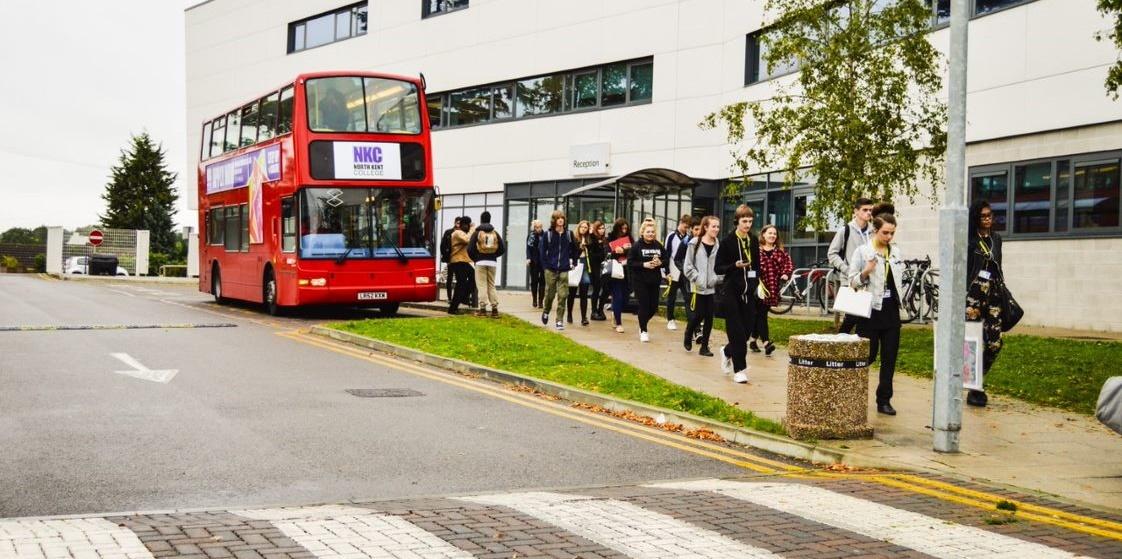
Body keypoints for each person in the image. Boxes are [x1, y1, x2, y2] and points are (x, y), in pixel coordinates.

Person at [850, 205, 905, 416]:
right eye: (885, 232)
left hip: (891, 312)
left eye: (892, 233)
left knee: (889, 358)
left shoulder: (896, 251)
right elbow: (852, 282)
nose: (889, 236)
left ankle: (884, 400)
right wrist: (866, 271)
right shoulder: (863, 252)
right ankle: (854, 392)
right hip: (871, 311)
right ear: (875, 230)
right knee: (868, 356)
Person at [965, 200, 1007, 408]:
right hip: (973, 297)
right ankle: (975, 388)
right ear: (976, 218)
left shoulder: (996, 239)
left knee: (994, 343)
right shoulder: (970, 241)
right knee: (971, 343)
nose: (988, 218)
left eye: (990, 215)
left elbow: (999, 267)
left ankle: (976, 380)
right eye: (983, 216)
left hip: (994, 296)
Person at [714, 205, 760, 384]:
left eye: (750, 221)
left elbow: (756, 266)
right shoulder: (727, 242)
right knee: (736, 332)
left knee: (747, 330)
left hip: (748, 291)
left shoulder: (753, 240)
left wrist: (757, 283)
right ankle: (740, 369)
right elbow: (718, 267)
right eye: (744, 221)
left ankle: (726, 352)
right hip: (731, 291)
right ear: (737, 221)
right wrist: (734, 266)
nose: (747, 225)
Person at [828, 198, 875, 333]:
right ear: (856, 211)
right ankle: (840, 344)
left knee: (865, 318)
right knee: (852, 317)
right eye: (865, 210)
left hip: (869, 279)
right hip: (851, 280)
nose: (868, 213)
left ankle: (858, 347)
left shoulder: (873, 231)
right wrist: (847, 269)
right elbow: (832, 253)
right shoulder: (845, 230)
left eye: (870, 210)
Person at [752, 224, 794, 356]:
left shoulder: (780, 252)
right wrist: (753, 279)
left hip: (772, 288)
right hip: (757, 288)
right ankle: (766, 343)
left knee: (760, 314)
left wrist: (786, 273)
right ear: (763, 234)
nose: (772, 236)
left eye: (774, 234)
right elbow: (749, 268)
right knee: (761, 314)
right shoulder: (755, 251)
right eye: (769, 233)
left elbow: (788, 265)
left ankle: (753, 340)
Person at [683, 216, 721, 357]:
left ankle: (704, 347)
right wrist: (697, 278)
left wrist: (716, 279)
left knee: (709, 317)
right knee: (699, 315)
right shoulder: (694, 243)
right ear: (706, 227)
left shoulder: (718, 245)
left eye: (718, 226)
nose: (716, 229)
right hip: (698, 286)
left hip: (711, 286)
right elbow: (687, 266)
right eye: (713, 226)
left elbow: (720, 266)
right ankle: (689, 332)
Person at [629, 221, 668, 343]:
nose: (650, 234)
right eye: (648, 232)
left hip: (654, 280)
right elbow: (630, 263)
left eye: (652, 232)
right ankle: (644, 331)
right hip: (640, 281)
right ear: (642, 232)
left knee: (653, 307)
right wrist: (644, 264)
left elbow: (666, 259)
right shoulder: (636, 246)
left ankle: (642, 323)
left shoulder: (658, 245)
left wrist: (660, 262)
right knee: (644, 305)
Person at [539, 210, 576, 330]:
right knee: (550, 294)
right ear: (554, 220)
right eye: (558, 218)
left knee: (563, 295)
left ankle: (559, 320)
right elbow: (542, 251)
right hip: (550, 269)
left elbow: (574, 250)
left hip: (564, 269)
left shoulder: (569, 234)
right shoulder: (548, 235)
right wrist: (545, 266)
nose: (561, 220)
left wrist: (573, 262)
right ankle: (546, 311)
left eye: (562, 218)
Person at [468, 211, 505, 318]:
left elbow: (470, 249)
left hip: (480, 262)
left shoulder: (477, 232)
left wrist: (476, 258)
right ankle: (494, 310)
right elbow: (502, 249)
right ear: (490, 219)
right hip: (492, 262)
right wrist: (493, 256)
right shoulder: (495, 233)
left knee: (482, 285)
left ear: (481, 219)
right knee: (491, 285)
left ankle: (483, 309)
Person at [663, 214, 694, 331]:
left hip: (684, 271)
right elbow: (666, 254)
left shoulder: (688, 238)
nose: (686, 229)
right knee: (672, 296)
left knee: (687, 296)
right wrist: (666, 271)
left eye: (687, 227)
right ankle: (670, 319)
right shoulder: (671, 236)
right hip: (673, 270)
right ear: (680, 223)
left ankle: (690, 320)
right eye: (684, 226)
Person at [606, 218, 633, 333]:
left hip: (627, 271)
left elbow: (633, 252)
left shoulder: (630, 239)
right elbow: (607, 254)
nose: (624, 230)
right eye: (622, 228)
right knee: (618, 296)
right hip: (615, 271)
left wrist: (625, 250)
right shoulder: (610, 238)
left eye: (626, 228)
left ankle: (614, 312)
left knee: (625, 298)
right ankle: (619, 322)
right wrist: (615, 251)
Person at [566, 220, 594, 325]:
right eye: (582, 227)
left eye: (585, 227)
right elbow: (571, 253)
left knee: (584, 289)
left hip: (585, 266)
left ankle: (584, 317)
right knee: (572, 292)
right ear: (578, 227)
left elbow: (593, 252)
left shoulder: (589, 239)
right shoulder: (574, 238)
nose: (583, 229)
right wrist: (580, 248)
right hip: (576, 264)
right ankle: (569, 314)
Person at [447, 216, 474, 315]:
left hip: (462, 261)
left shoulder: (461, 233)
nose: (468, 227)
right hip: (458, 262)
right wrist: (472, 228)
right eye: (467, 225)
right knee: (461, 285)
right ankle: (454, 307)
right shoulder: (458, 233)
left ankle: (461, 300)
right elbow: (468, 239)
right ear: (464, 225)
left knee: (469, 279)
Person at [588, 220, 608, 321]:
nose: (602, 230)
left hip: (604, 268)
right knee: (596, 289)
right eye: (599, 228)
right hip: (595, 268)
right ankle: (594, 311)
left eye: (603, 228)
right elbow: (592, 256)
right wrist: (602, 254)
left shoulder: (605, 240)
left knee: (605, 289)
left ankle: (600, 309)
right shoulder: (592, 240)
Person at [440, 217, 461, 302]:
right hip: (450, 258)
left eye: (460, 223)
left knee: (459, 279)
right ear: (455, 223)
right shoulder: (448, 232)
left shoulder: (462, 233)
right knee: (450, 278)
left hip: (459, 259)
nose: (459, 225)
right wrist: (446, 258)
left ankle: (457, 298)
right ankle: (449, 298)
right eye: (458, 223)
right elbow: (443, 245)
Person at [526, 220, 545, 308]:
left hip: (543, 261)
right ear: (534, 228)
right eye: (537, 227)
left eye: (540, 227)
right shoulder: (531, 236)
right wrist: (528, 258)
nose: (539, 229)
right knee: (534, 282)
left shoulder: (545, 235)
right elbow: (528, 248)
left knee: (542, 282)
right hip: (534, 261)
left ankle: (541, 301)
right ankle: (534, 300)